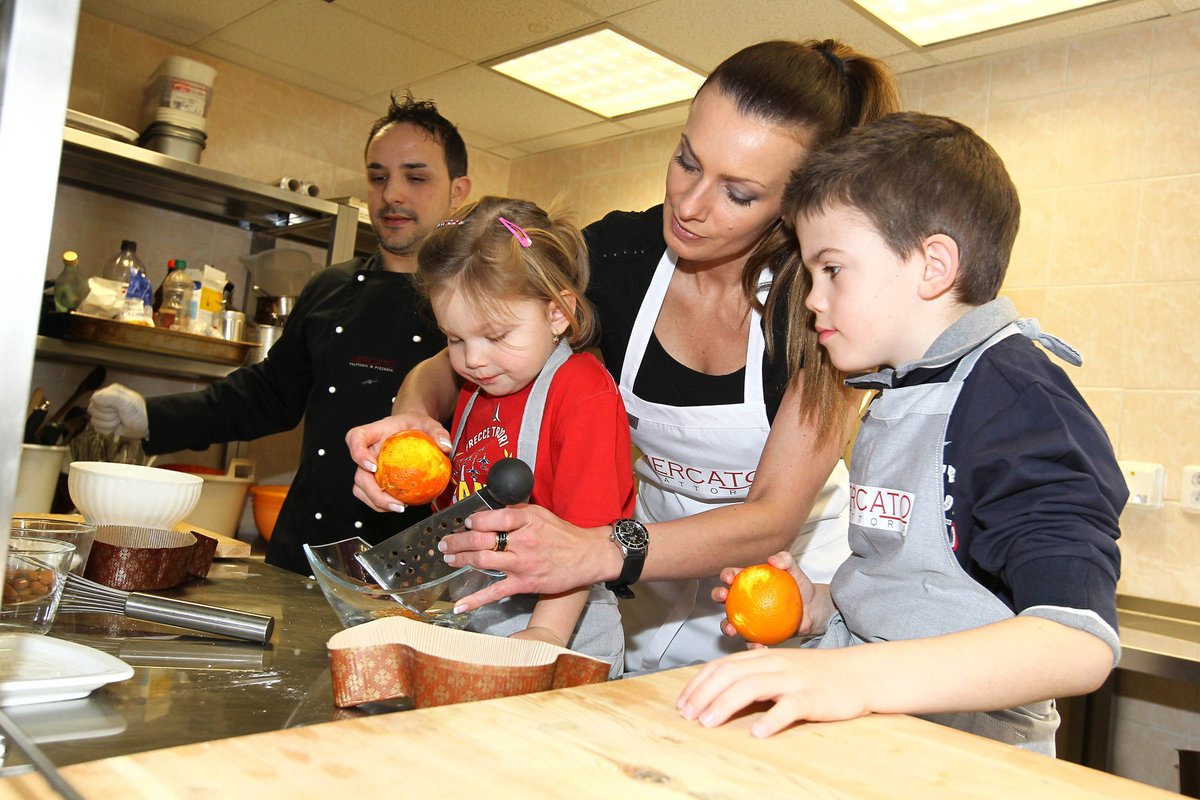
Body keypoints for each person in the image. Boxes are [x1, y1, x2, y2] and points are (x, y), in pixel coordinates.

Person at [347, 40, 901, 674]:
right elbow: (464, 356)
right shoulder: (617, 259)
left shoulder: (820, 308)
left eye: (739, 194)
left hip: (779, 588)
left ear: (796, 204)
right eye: (686, 162)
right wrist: (411, 417)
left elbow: (770, 518)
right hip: (642, 574)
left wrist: (600, 549)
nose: (690, 206)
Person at [675, 112, 1126, 755]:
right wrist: (823, 609)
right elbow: (925, 595)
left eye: (832, 269)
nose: (811, 300)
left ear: (932, 265)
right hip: (881, 736)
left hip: (972, 750)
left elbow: (1076, 643)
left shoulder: (1015, 402)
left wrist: (850, 677)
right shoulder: (901, 390)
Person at [86, 94, 471, 574]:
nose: (392, 194)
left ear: (458, 190)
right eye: (378, 176)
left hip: (409, 569)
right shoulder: (332, 287)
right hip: (299, 556)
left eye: (416, 177)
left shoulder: (474, 304)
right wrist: (154, 417)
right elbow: (268, 395)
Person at [403, 196, 634, 678]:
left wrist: (546, 635)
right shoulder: (475, 388)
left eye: (496, 336)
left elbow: (587, 542)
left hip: (561, 626)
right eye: (454, 339)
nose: (474, 360)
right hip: (475, 612)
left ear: (557, 313)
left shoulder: (582, 393)